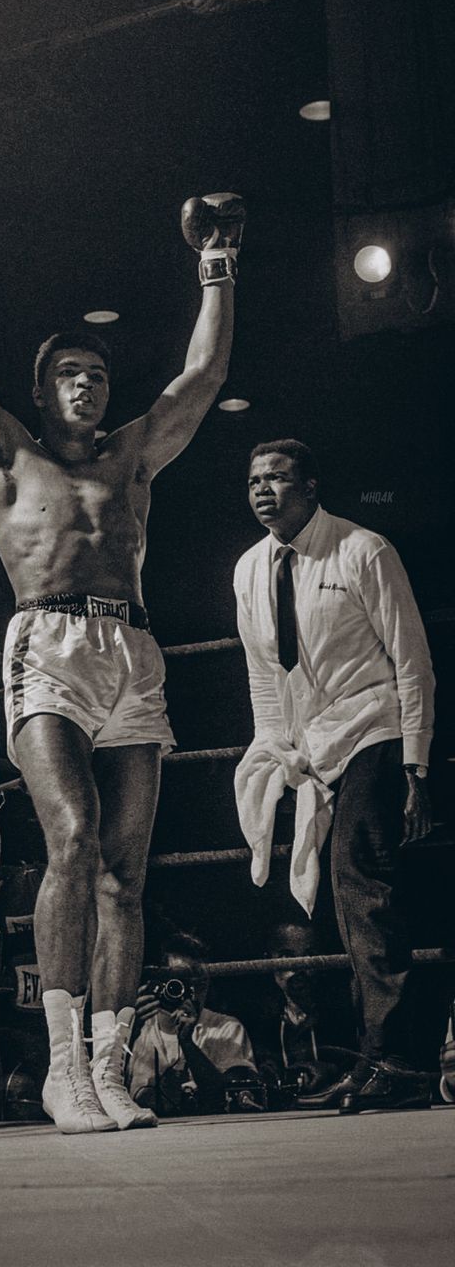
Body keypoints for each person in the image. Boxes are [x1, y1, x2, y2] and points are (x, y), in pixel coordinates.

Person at [0, 144, 243, 1133]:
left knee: (129, 871)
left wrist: (216, 259)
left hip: (131, 652)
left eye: (94, 371)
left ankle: (110, 1068)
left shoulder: (132, 460)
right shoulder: (5, 453)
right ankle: (56, 1070)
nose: (85, 384)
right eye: (68, 374)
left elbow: (203, 374)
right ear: (42, 391)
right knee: (74, 841)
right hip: (43, 644)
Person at [233, 439, 434, 1113]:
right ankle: (375, 1057)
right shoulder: (249, 568)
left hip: (376, 727)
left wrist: (418, 765)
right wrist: (272, 749)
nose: (265, 490)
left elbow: (412, 659)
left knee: (362, 886)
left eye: (279, 478)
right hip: (314, 748)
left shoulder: (362, 550)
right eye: (256, 480)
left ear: (311, 487)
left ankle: (398, 1062)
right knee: (340, 904)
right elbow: (264, 676)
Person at [128, 934, 265, 1117]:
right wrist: (129, 1029)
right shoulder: (135, 1027)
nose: (185, 991)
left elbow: (228, 1098)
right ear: (159, 981)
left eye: (198, 983)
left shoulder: (227, 1029)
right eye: (177, 982)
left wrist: (188, 1044)